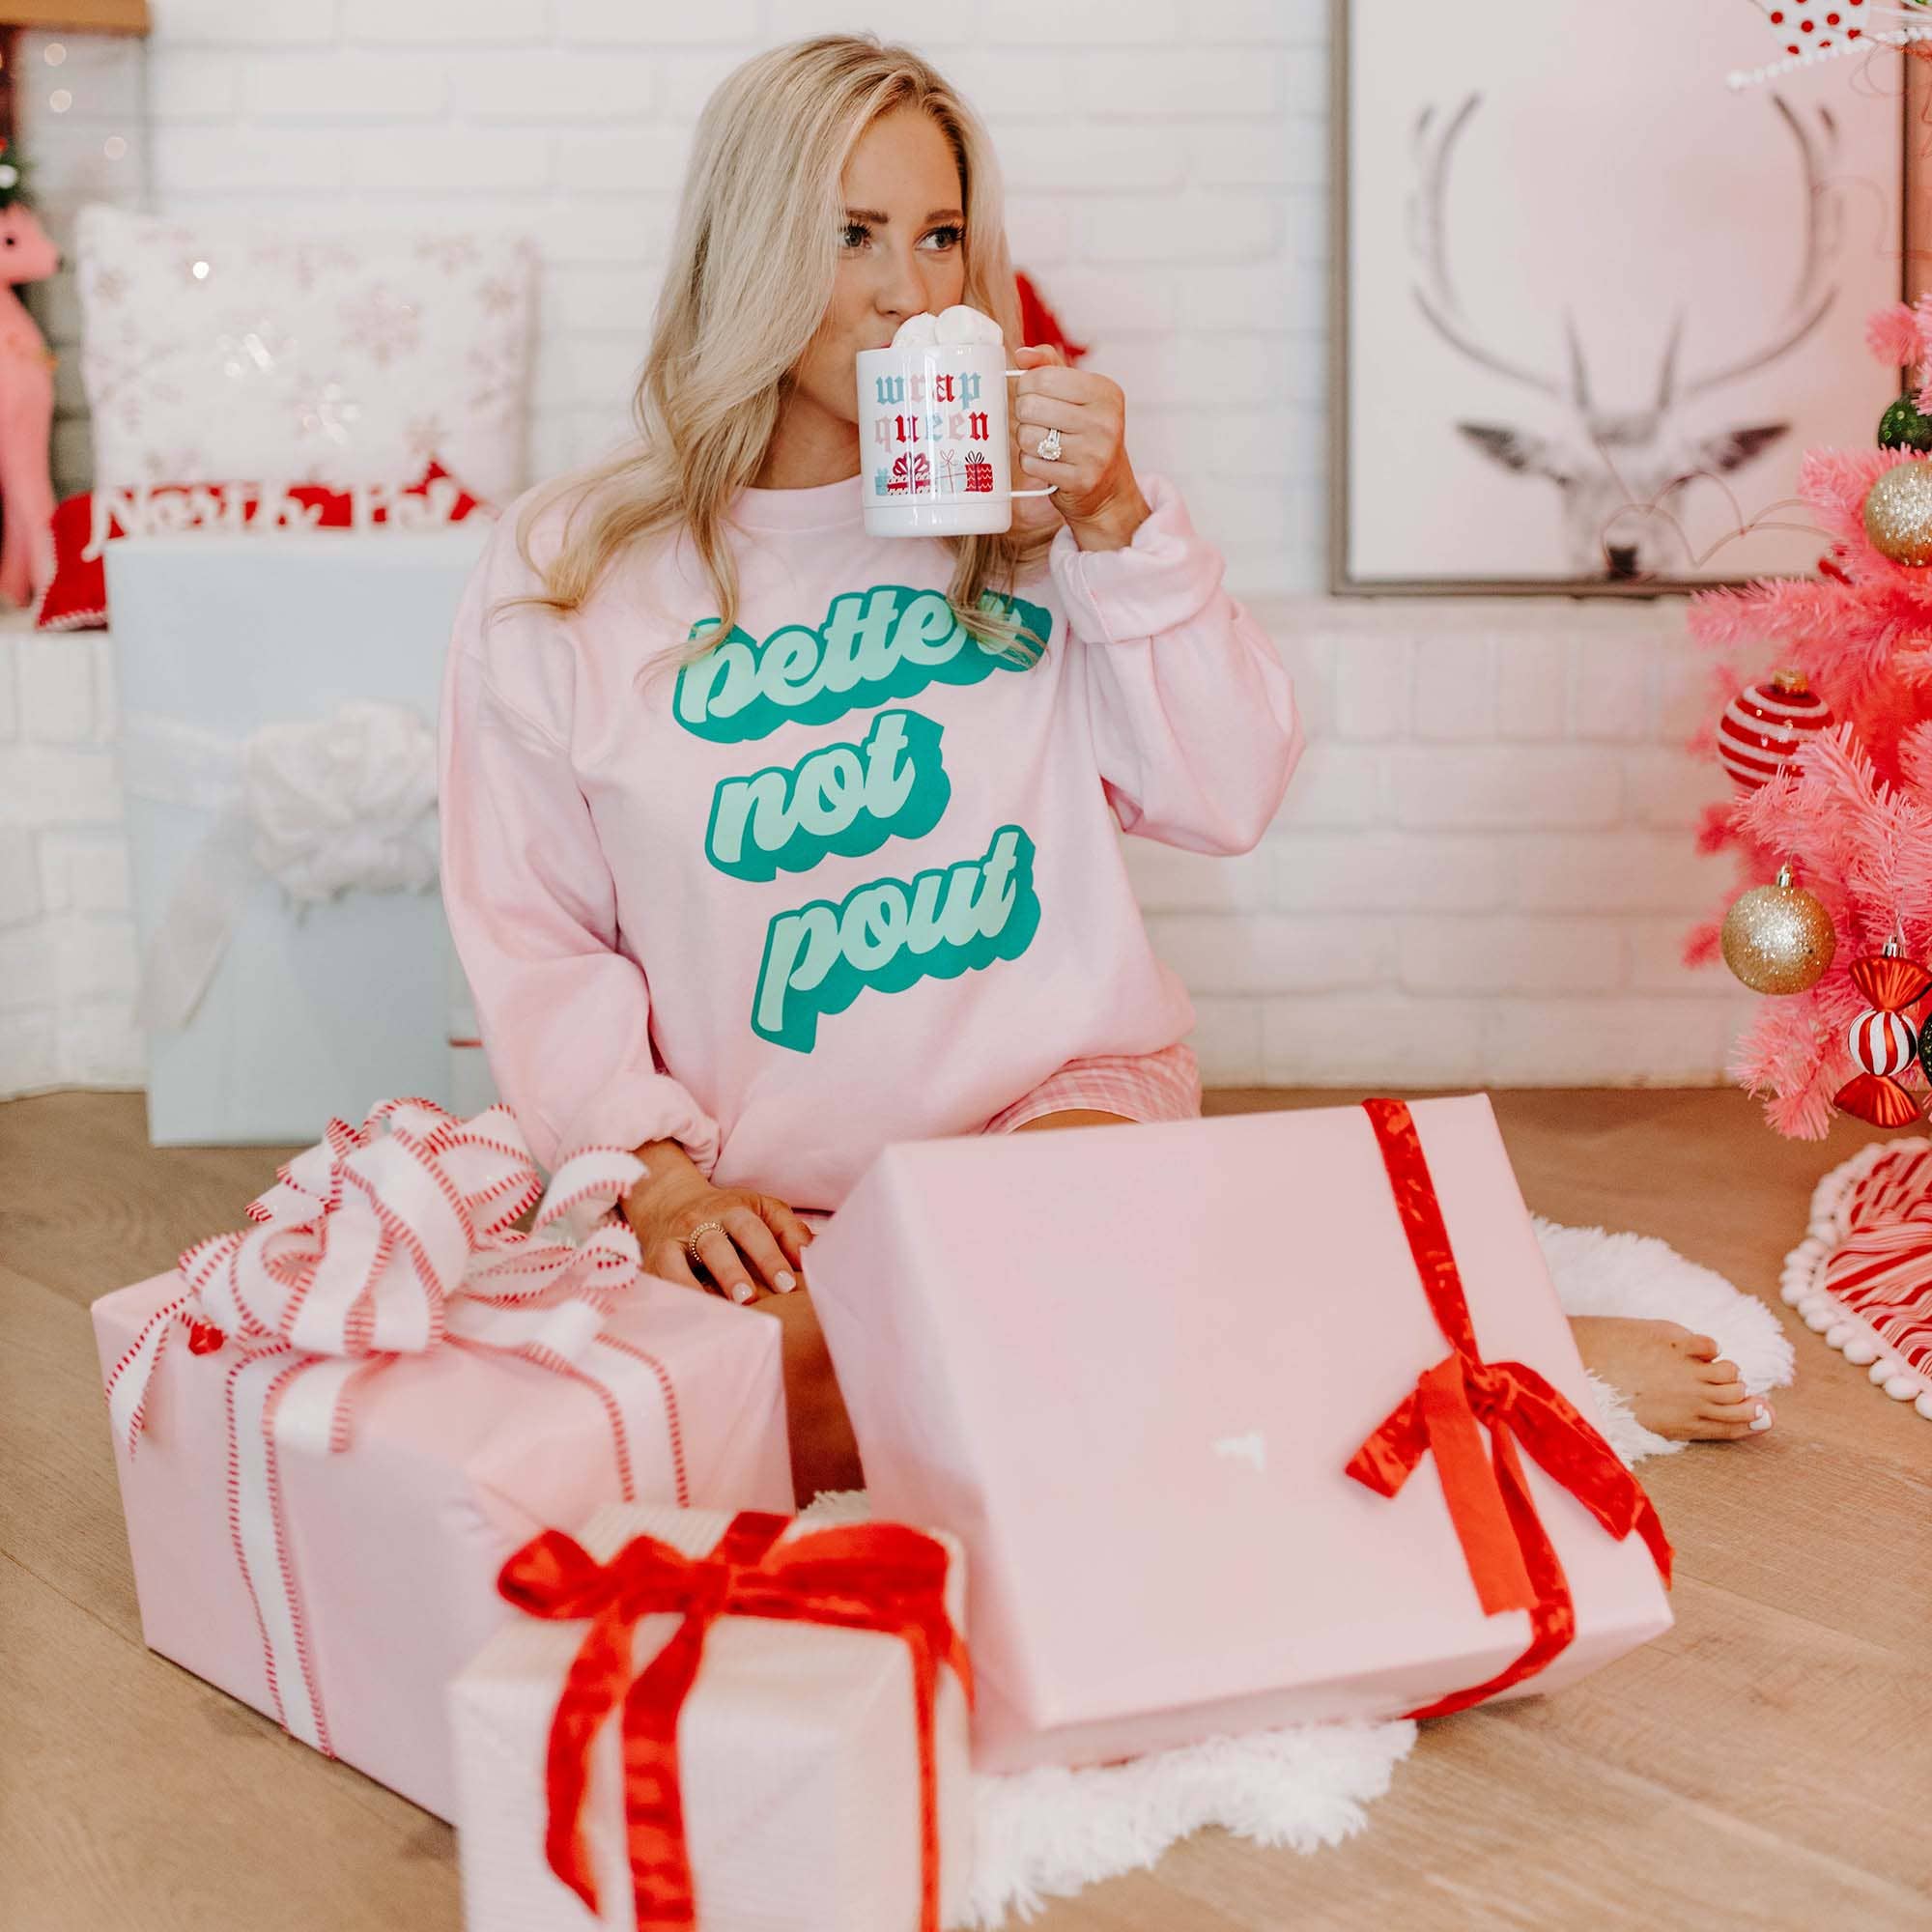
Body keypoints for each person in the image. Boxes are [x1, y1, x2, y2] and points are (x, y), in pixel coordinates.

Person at [439, 34, 1769, 1509]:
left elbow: (1228, 792)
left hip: (1050, 1105)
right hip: (771, 1176)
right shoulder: (572, 569)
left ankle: (1510, 1356)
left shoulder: (1032, 520)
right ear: (746, 248)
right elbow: (536, 931)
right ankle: (1354, 1342)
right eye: (852, 235)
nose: (910, 292)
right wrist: (661, 1177)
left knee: (1043, 1287)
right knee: (777, 1412)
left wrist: (1122, 525)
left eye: (941, 236)